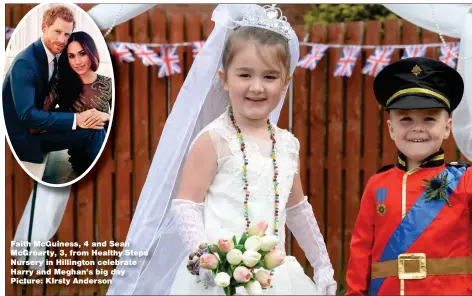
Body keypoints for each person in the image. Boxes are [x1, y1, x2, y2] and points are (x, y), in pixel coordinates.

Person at [106, 4, 336, 295]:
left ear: (285, 83)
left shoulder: (287, 144)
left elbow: (297, 208)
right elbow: (186, 204)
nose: (256, 87)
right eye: (244, 75)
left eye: (269, 77)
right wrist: (207, 257)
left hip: (276, 279)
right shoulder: (213, 139)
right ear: (224, 78)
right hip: (220, 278)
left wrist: (322, 264)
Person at [345, 57, 472, 295]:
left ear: (447, 127)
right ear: (391, 129)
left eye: (429, 119)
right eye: (406, 119)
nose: (417, 128)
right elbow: (361, 248)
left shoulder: (464, 178)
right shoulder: (377, 184)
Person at [2, 5, 106, 167]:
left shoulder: (53, 56)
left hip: (40, 123)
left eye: (67, 34)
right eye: (57, 32)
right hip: (24, 137)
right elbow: (27, 115)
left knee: (93, 121)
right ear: (44, 27)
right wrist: (76, 119)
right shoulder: (25, 63)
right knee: (94, 129)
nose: (62, 40)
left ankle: (86, 165)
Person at [57, 31, 112, 175]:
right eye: (71, 56)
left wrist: (105, 116)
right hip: (81, 155)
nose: (78, 62)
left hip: (110, 146)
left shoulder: (108, 84)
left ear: (91, 52)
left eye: (82, 54)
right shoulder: (61, 86)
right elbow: (41, 118)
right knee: (94, 128)